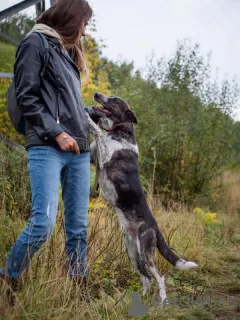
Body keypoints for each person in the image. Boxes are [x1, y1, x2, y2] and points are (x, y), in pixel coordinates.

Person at [0, 0, 98, 298]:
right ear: (70, 19)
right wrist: (57, 133)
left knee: (78, 227)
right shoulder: (35, 43)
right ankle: (6, 278)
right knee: (42, 223)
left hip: (77, 150)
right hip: (47, 146)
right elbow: (27, 96)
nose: (84, 33)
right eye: (84, 25)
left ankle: (77, 287)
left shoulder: (66, 53)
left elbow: (68, 106)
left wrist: (96, 114)